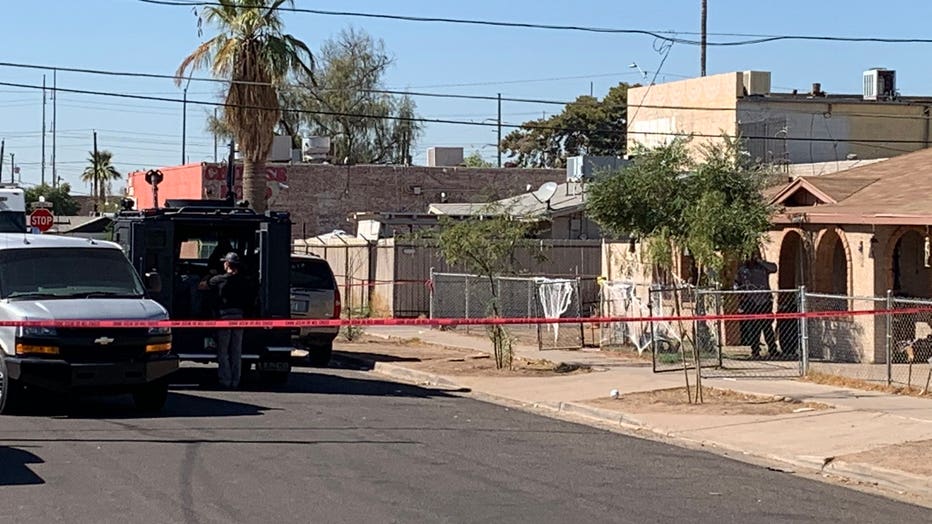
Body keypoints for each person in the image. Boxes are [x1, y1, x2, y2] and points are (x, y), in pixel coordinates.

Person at [200, 252, 253, 389]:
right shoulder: (245, 280)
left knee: (223, 351)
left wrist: (209, 274)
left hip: (224, 318)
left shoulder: (219, 279)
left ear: (227, 264)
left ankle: (225, 379)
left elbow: (201, 286)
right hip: (240, 318)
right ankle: (236, 380)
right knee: (236, 351)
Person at [734, 253, 780, 359]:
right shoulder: (743, 270)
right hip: (751, 302)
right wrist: (740, 292)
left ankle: (772, 350)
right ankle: (755, 351)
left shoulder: (763, 268)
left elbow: (774, 268)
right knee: (754, 328)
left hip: (764, 301)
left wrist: (760, 261)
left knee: (766, 326)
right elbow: (736, 283)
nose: (750, 258)